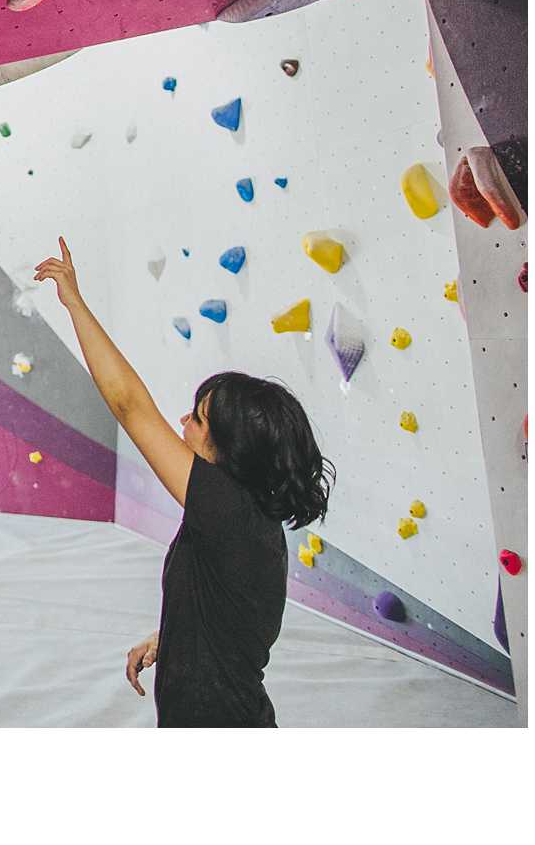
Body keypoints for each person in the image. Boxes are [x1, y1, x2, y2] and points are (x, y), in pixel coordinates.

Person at [34, 235, 333, 727]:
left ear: (231, 449)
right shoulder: (243, 517)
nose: (182, 423)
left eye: (197, 419)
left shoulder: (230, 512)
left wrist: (74, 303)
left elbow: (129, 404)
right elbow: (226, 615)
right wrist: (170, 641)